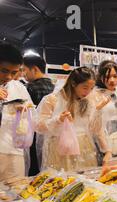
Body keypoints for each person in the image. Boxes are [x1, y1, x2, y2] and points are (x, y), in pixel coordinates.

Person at [36, 67, 111, 172]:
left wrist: (107, 150)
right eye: (85, 87)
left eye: (91, 88)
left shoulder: (88, 100)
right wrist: (58, 120)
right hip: (60, 149)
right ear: (73, 83)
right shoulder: (52, 99)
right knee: (62, 181)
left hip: (84, 147)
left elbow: (96, 130)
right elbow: (39, 127)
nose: (88, 92)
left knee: (86, 183)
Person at [0, 43, 33, 182]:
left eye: (14, 72)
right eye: (4, 70)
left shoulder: (19, 87)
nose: (9, 77)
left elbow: (32, 111)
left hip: (13, 149)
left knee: (16, 193)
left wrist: (24, 110)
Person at [23, 54, 55, 176]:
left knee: (35, 171)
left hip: (33, 137)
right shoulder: (54, 87)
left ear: (34, 69)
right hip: (51, 136)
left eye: (24, 70)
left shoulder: (29, 88)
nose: (22, 74)